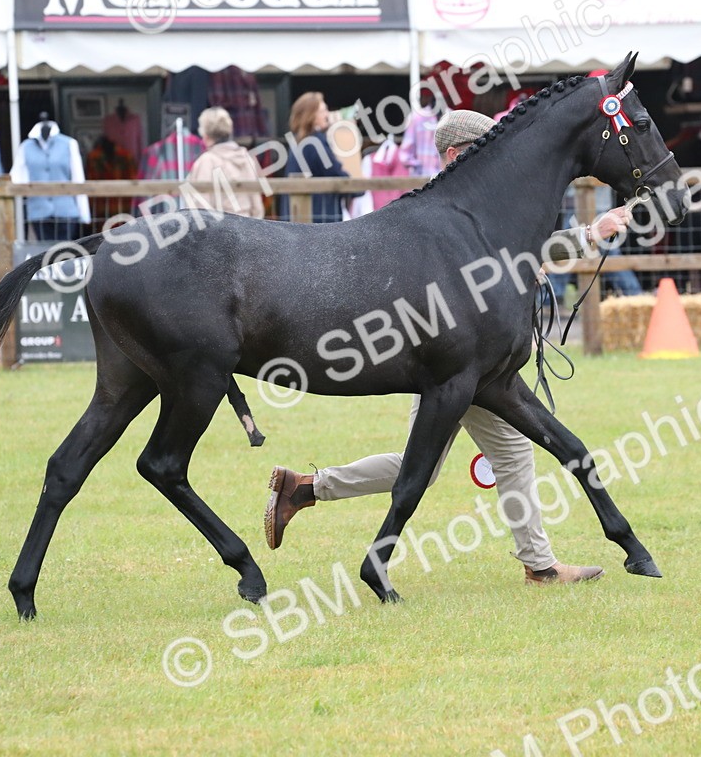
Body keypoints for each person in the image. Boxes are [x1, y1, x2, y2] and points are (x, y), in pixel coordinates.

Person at [265, 109, 638, 586]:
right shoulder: (446, 216)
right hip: (455, 360)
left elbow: (528, 252)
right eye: (485, 150)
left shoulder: (474, 209)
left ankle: (306, 488)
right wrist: (587, 235)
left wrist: (590, 233)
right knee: (445, 462)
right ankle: (538, 565)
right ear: (457, 155)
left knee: (489, 456)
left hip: (477, 362)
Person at [282, 92, 358, 222]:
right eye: (323, 111)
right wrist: (359, 188)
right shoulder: (315, 143)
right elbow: (335, 174)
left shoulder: (299, 142)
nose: (327, 114)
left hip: (300, 220)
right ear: (311, 116)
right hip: (317, 223)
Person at [186, 107, 264, 218]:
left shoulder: (206, 161)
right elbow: (257, 206)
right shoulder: (246, 157)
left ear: (205, 135)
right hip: (247, 227)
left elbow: (201, 209)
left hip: (220, 230)